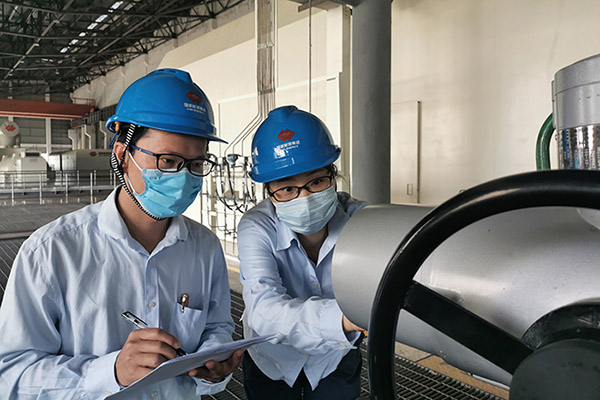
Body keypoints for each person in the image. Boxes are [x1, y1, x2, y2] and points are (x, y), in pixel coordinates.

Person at [0, 68, 243, 399]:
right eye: (168, 160)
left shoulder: (204, 247)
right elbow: (11, 375)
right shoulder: (51, 252)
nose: (184, 177)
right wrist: (110, 372)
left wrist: (213, 362)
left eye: (196, 164)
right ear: (122, 156)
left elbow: (216, 325)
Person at [238, 105, 368, 399]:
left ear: (332, 176)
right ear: (269, 192)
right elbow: (264, 310)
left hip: (335, 355)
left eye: (316, 182)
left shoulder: (361, 220)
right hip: (272, 358)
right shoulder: (257, 227)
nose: (305, 197)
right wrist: (342, 321)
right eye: (287, 189)